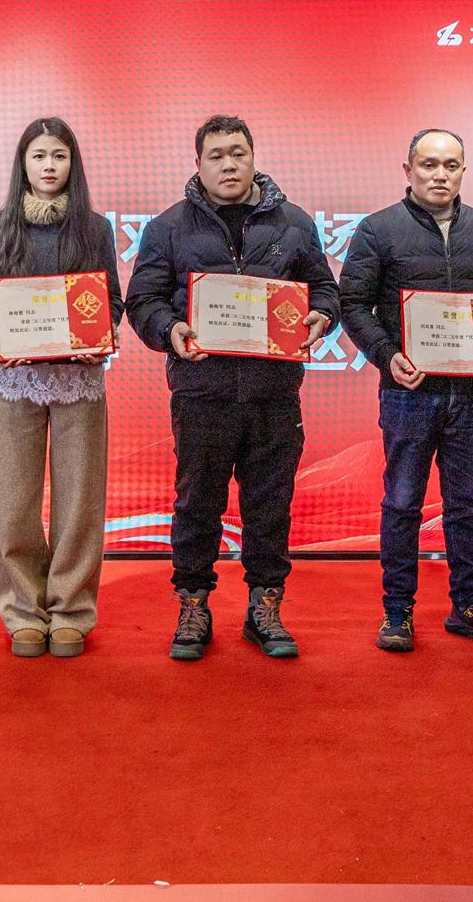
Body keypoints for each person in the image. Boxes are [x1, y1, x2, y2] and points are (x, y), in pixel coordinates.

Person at [124, 114, 340, 662]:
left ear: (253, 158)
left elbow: (324, 289)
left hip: (274, 394)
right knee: (197, 503)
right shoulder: (169, 227)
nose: (228, 164)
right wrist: (170, 330)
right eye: (216, 155)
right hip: (202, 392)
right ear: (198, 164)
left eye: (238, 153)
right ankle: (193, 604)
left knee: (271, 505)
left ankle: (265, 607)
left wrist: (321, 315)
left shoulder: (294, 223)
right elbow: (143, 300)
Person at [337, 128, 473, 654]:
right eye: (428, 165)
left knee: (468, 503)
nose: (440, 175)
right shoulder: (379, 230)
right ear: (408, 171)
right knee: (402, 502)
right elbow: (352, 303)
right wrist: (386, 355)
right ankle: (397, 611)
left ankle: (470, 607)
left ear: (463, 171)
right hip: (409, 391)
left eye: (450, 165)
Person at [0, 118, 124, 658]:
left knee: (80, 501)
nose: (49, 165)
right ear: (23, 164)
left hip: (79, 380)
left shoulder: (95, 229)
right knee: (14, 501)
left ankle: (71, 610)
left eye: (59, 155)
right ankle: (23, 611)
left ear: (73, 164)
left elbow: (111, 300)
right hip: (17, 382)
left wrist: (100, 335)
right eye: (39, 156)